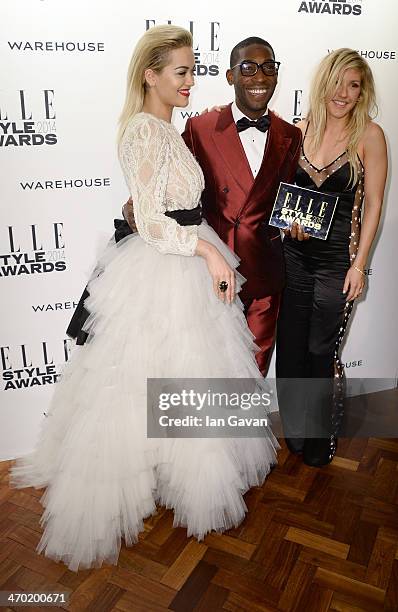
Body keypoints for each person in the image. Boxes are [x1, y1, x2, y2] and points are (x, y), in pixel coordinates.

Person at [10, 25, 278, 572]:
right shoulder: (142, 130)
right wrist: (206, 255)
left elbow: (154, 202)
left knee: (183, 376)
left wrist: (201, 247)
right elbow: (154, 223)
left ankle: (177, 477)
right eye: (180, 72)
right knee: (138, 384)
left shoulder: (168, 127)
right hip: (164, 265)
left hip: (182, 258)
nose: (190, 81)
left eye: (192, 70)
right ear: (150, 74)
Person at [121, 36, 302, 376]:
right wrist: (137, 209)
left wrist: (297, 224)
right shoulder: (197, 127)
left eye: (268, 68)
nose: (190, 81)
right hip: (201, 274)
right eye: (182, 73)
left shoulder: (290, 135)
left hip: (260, 272)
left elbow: (170, 185)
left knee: (247, 377)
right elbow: (152, 203)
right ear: (231, 76)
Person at [276, 49, 387, 466]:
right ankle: (297, 435)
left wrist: (359, 264)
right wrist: (287, 226)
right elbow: (280, 196)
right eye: (337, 83)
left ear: (362, 92)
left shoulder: (370, 136)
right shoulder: (296, 131)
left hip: (337, 264)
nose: (343, 93)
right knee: (290, 352)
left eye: (353, 85)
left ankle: (320, 443)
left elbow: (374, 204)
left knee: (320, 351)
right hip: (292, 258)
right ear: (322, 84)